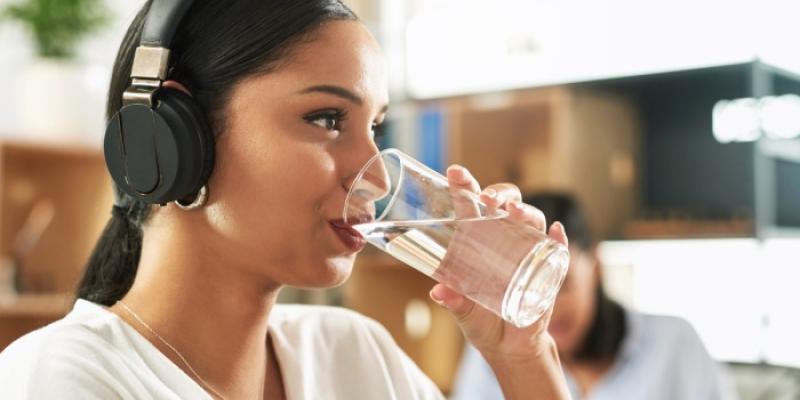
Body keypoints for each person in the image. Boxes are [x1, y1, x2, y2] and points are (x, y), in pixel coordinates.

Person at [0, 1, 571, 399]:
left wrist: (522, 358)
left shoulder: (355, 354)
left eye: (376, 128)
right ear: (175, 136)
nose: (369, 175)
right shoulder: (59, 379)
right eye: (326, 119)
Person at [451, 193, 739, 400]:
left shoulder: (674, 343)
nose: (547, 308)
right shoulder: (493, 354)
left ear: (596, 264)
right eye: (528, 290)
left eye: (561, 284)